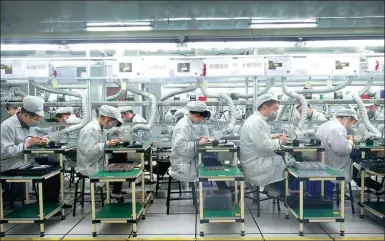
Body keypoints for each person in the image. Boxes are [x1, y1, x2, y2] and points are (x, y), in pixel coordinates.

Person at [1, 96, 62, 203]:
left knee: (55, 166)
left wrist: (39, 142)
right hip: (11, 164)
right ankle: (40, 204)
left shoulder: (28, 124)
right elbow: (5, 152)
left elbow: (31, 141)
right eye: (36, 119)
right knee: (45, 172)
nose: (37, 123)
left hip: (28, 160)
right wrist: (27, 144)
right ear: (25, 115)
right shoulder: (7, 127)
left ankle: (50, 202)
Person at [240, 94, 294, 198]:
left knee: (284, 160)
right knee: (289, 163)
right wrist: (280, 141)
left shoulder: (257, 120)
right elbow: (264, 145)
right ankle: (275, 190)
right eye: (275, 109)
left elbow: (261, 137)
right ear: (265, 107)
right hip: (256, 164)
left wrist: (274, 136)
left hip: (256, 159)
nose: (276, 112)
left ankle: (272, 188)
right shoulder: (256, 122)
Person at [169, 101, 229, 191]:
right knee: (212, 162)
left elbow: (188, 140)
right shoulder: (183, 125)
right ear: (197, 115)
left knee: (212, 160)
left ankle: (224, 189)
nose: (202, 121)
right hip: (183, 163)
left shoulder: (189, 123)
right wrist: (197, 143)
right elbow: (179, 147)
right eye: (202, 118)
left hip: (188, 157)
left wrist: (198, 139)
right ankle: (224, 190)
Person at [77, 105, 123, 201]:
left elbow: (100, 145)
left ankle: (116, 191)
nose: (113, 126)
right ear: (106, 118)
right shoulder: (90, 129)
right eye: (113, 123)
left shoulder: (101, 129)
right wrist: (106, 144)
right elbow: (89, 151)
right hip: (89, 164)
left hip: (98, 161)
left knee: (120, 160)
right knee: (119, 164)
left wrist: (111, 142)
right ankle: (115, 192)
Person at [315, 108, 358, 183]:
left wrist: (345, 140)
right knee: (358, 161)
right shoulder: (339, 128)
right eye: (353, 123)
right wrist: (350, 141)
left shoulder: (326, 124)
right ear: (348, 119)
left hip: (323, 161)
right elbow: (342, 150)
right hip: (334, 165)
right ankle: (370, 184)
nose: (351, 126)